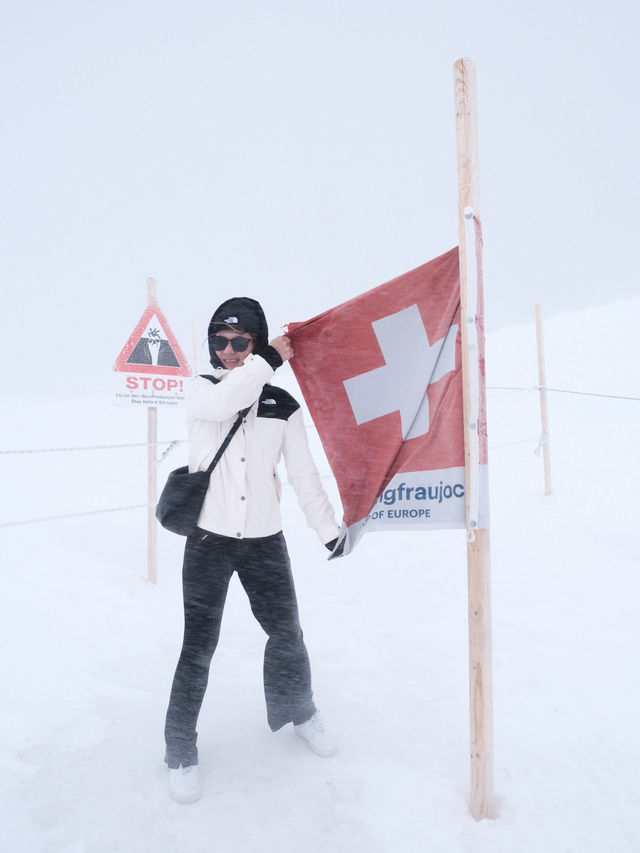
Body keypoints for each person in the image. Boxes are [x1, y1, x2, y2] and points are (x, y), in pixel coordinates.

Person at [164, 296, 341, 805]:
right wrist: (267, 359)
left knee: (287, 634)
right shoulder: (200, 391)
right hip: (207, 541)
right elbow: (227, 403)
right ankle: (180, 750)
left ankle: (301, 712)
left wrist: (327, 529)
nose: (229, 351)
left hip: (264, 542)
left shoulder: (282, 407)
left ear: (256, 342)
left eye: (240, 342)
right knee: (198, 648)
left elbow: (304, 474)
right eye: (219, 341)